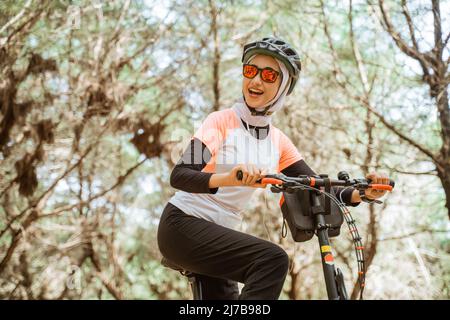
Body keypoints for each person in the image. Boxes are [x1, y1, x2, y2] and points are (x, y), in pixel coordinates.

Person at [157, 37, 390, 300]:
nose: (256, 81)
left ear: (284, 86)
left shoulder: (277, 142)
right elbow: (180, 176)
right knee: (272, 260)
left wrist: (364, 193)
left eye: (269, 75)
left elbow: (316, 189)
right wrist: (230, 179)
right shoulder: (220, 122)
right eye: (250, 71)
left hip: (220, 235)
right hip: (182, 225)